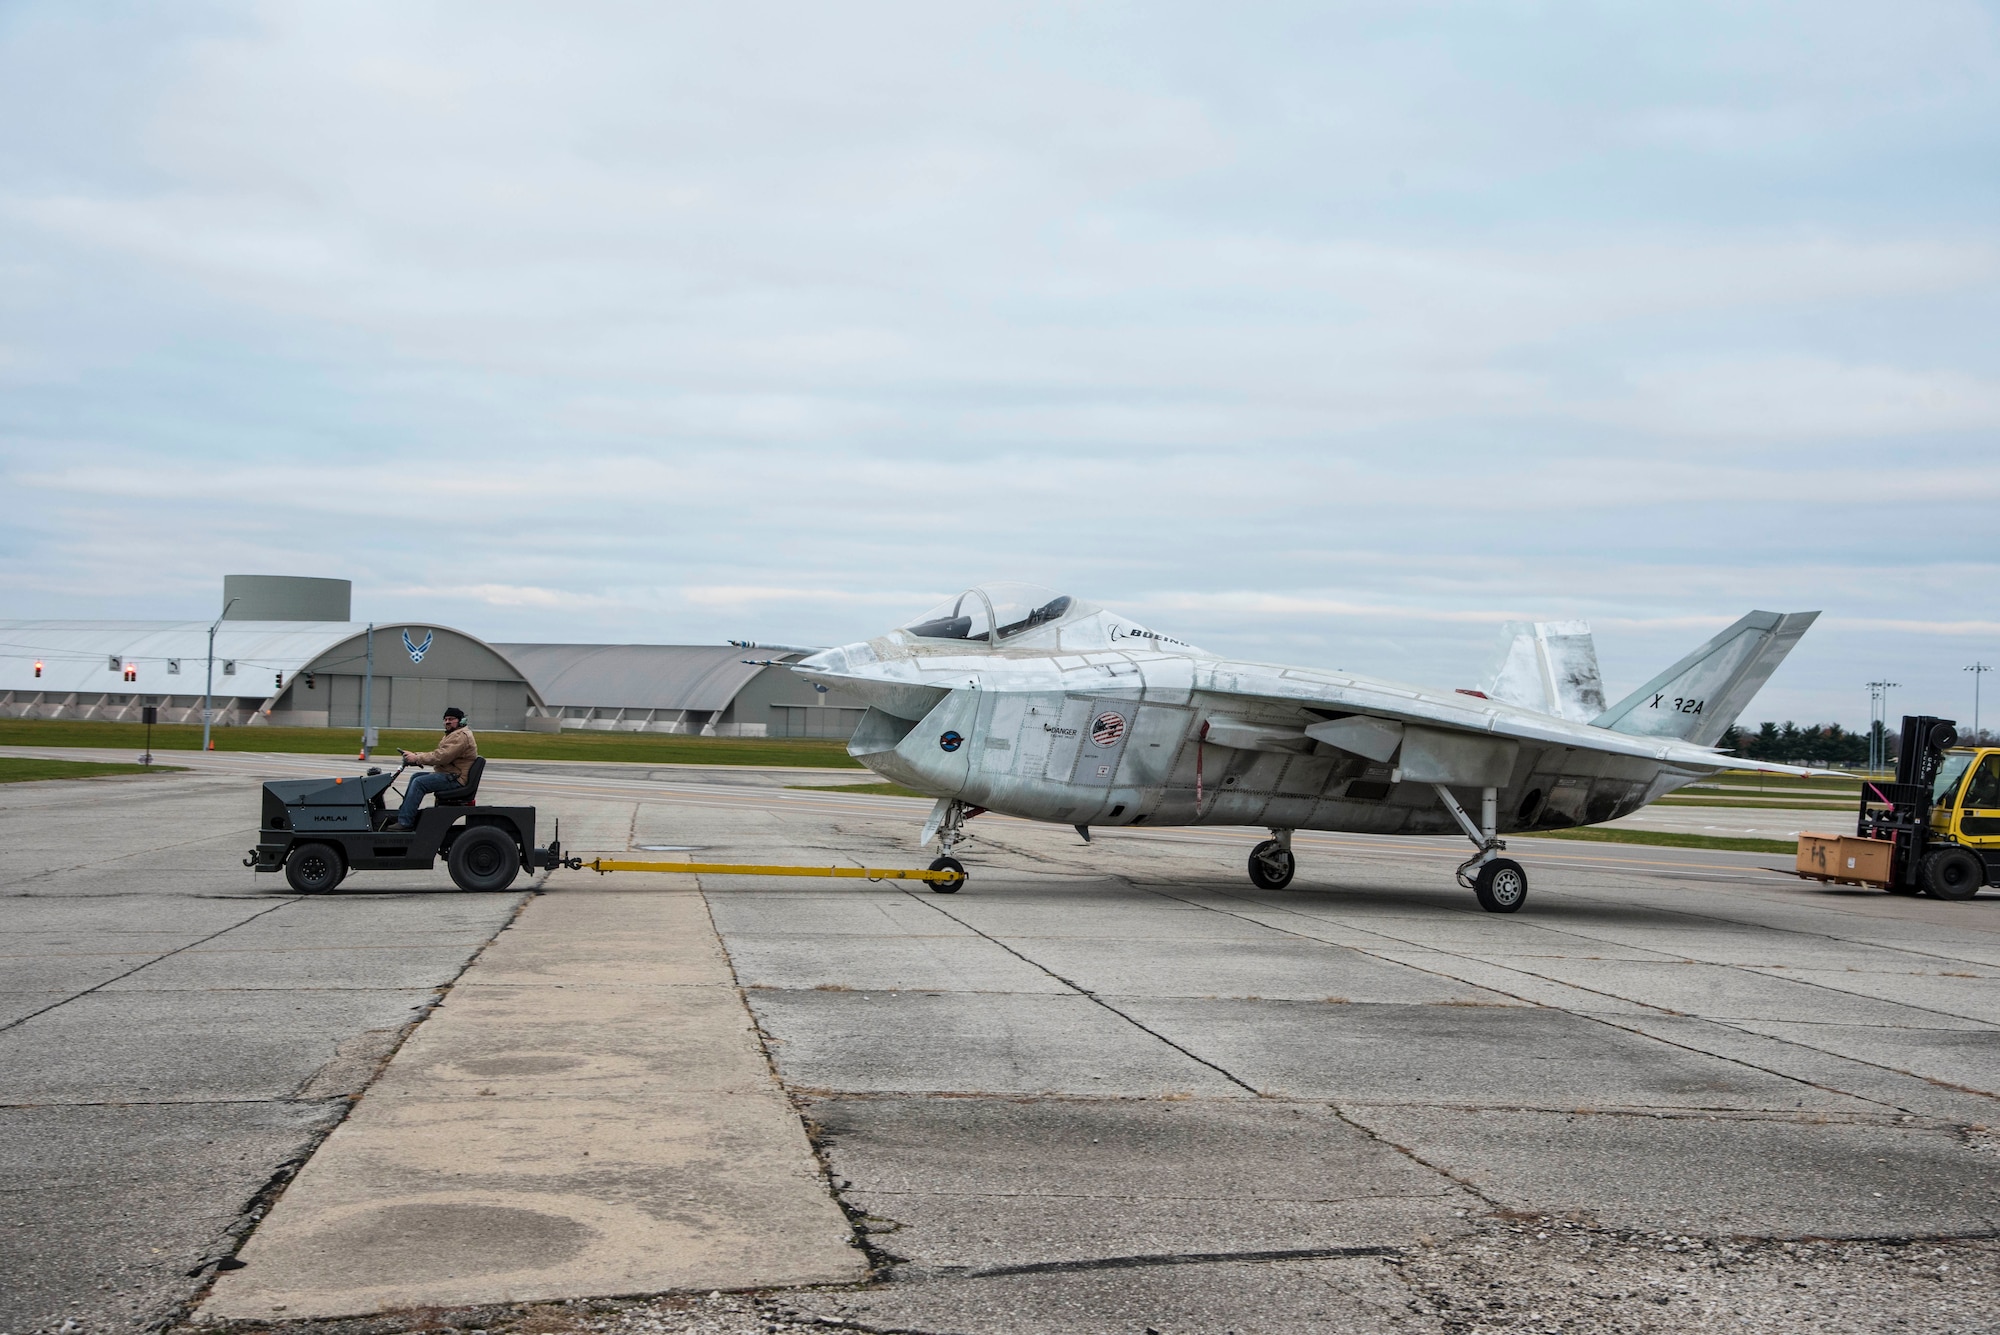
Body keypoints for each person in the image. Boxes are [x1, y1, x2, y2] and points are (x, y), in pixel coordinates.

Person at [392, 706, 478, 830]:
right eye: (446, 719)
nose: (447, 721)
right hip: (451, 774)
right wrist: (416, 755)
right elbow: (439, 753)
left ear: (461, 721)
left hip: (456, 779)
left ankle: (405, 822)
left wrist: (417, 758)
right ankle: (404, 814)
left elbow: (441, 757)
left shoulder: (461, 736)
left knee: (419, 783)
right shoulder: (453, 734)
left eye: (451, 719)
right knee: (416, 777)